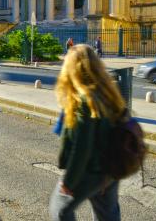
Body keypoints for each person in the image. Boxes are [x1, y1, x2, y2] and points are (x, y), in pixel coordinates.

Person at [49, 44, 125, 221]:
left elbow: (81, 147)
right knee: (107, 215)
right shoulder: (109, 92)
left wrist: (69, 182)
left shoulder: (83, 99)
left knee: (59, 210)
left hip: (90, 170)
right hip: (111, 169)